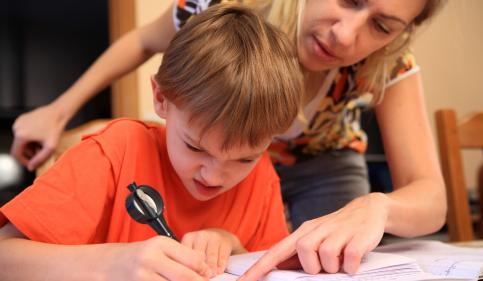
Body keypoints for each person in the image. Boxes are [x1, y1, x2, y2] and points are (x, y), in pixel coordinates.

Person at [10, 0, 448, 277]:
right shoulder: (221, 12)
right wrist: (59, 109)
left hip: (319, 162)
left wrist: (376, 205)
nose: (346, 36)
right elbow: (144, 41)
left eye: (383, 26)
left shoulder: (256, 177)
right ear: (161, 100)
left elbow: (430, 196)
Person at [0, 3, 303, 280]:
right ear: (161, 99)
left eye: (245, 159)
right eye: (196, 147)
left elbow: (273, 268)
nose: (213, 176)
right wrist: (112, 263)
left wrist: (233, 246)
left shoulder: (263, 178)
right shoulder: (116, 152)